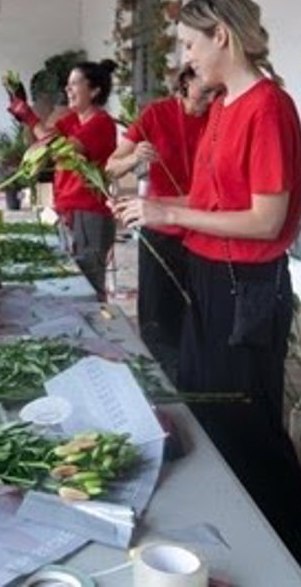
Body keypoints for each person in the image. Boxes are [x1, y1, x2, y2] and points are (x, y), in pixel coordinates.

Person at [113, 0, 301, 582]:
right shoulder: (226, 105)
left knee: (248, 427)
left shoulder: (267, 106)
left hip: (246, 287)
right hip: (211, 278)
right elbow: (212, 201)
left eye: (189, 43)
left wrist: (171, 216)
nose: (186, 59)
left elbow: (263, 219)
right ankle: (244, 551)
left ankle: (298, 566)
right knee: (212, 418)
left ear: (222, 37)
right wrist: (150, 204)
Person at [105, 65, 213, 377]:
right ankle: (162, 385)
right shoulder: (157, 114)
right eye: (202, 91)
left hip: (205, 229)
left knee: (199, 318)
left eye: (214, 92)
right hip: (161, 231)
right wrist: (135, 157)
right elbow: (111, 167)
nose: (208, 99)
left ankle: (195, 382)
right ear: (184, 81)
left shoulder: (218, 114)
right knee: (158, 320)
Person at [6, 60, 119, 300]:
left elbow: (60, 151)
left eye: (74, 84)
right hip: (68, 209)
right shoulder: (72, 120)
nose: (67, 90)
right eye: (67, 85)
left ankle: (98, 332)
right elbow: (41, 144)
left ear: (95, 90)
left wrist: (29, 116)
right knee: (75, 279)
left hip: (90, 213)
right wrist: (25, 114)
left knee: (89, 283)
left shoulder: (101, 123)